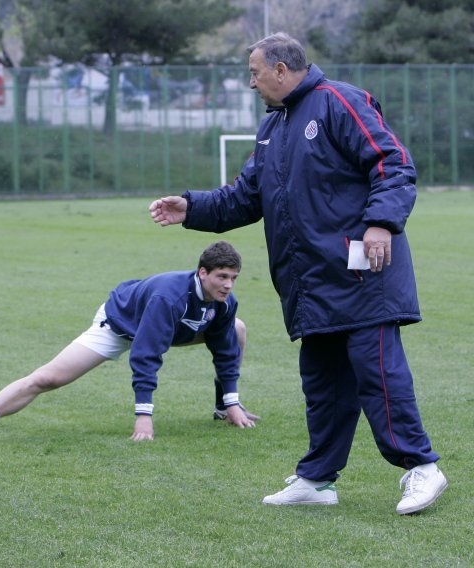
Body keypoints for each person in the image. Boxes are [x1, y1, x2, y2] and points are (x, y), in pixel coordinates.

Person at [148, 33, 446, 515]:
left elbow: (392, 163)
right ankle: (318, 479)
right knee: (323, 383)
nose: (251, 83)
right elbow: (246, 197)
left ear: (282, 70)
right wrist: (193, 207)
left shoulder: (340, 102)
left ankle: (422, 467)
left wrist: (381, 223)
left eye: (255, 72)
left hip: (363, 274)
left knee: (378, 373)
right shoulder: (272, 130)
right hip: (312, 285)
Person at [0, 240, 259, 448]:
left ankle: (223, 408)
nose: (228, 285)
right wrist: (144, 418)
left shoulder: (225, 302)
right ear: (202, 272)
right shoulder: (169, 296)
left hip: (172, 327)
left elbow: (224, 350)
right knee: (48, 378)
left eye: (234, 277)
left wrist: (232, 401)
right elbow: (145, 355)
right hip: (120, 326)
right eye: (222, 276)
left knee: (238, 329)